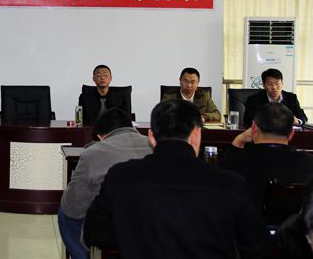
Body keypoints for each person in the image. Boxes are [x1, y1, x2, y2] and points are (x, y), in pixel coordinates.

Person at [83, 99, 270, 259]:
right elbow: (257, 246)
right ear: (196, 135)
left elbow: (94, 234)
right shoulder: (230, 184)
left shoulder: (120, 177)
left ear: (151, 137)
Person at [58, 108, 151, 259]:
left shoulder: (93, 153)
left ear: (101, 136)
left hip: (112, 232)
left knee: (65, 213)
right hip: (152, 225)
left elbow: (73, 207)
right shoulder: (154, 145)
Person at [220, 102, 313, 213]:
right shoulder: (309, 163)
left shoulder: (233, 163)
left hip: (248, 224)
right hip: (296, 224)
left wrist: (238, 141)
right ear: (292, 133)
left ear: (254, 128)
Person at [243, 68, 307, 128]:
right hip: (264, 133)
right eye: (269, 84)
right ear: (264, 85)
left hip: (286, 133)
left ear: (282, 83)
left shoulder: (291, 98)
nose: (274, 87)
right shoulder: (254, 99)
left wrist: (298, 121)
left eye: (277, 83)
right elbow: (248, 120)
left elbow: (302, 116)